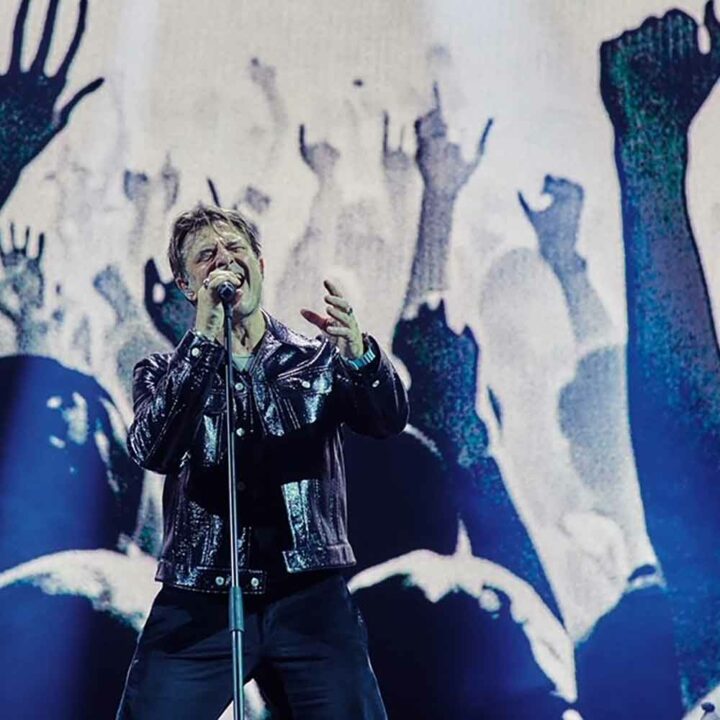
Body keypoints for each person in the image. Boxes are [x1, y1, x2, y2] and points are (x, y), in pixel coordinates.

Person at [116, 204, 409, 719]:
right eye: (206, 256)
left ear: (260, 265)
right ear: (187, 286)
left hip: (309, 595)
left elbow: (387, 420)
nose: (224, 261)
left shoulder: (315, 359)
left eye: (236, 249)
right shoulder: (161, 372)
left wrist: (361, 355)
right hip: (201, 594)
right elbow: (153, 450)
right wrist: (204, 341)